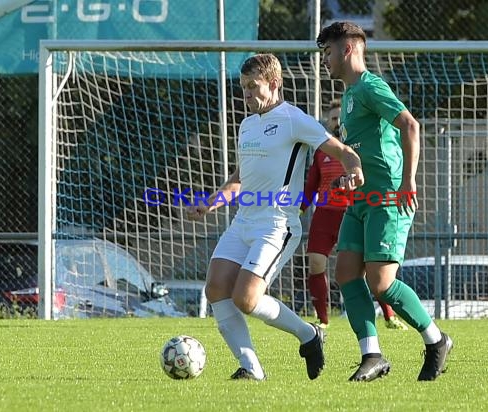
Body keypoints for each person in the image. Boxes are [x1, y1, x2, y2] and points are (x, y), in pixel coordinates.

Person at [186, 53, 364, 381]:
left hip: (276, 225)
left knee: (246, 298)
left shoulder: (293, 119)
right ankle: (251, 369)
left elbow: (341, 150)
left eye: (253, 86)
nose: (247, 94)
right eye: (243, 88)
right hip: (243, 222)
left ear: (274, 84)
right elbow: (239, 180)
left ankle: (309, 334)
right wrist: (212, 202)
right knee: (215, 288)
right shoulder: (247, 125)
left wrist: (354, 167)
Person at [316, 22, 453, 382]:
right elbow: (364, 151)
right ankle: (372, 354)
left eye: (327, 51)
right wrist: (352, 175)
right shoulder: (347, 97)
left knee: (381, 283)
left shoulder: (370, 86)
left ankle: (436, 340)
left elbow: (410, 125)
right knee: (345, 273)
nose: (324, 59)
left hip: (388, 197)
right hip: (361, 199)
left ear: (347, 49)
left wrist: (408, 181)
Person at [300, 98, 408, 331]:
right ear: (327, 123)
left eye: (340, 118)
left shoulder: (358, 147)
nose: (337, 122)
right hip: (325, 213)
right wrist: (300, 207)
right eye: (333, 118)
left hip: (354, 210)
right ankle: (323, 319)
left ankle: (389, 316)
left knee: (371, 267)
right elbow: (311, 185)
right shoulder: (321, 151)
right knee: (316, 263)